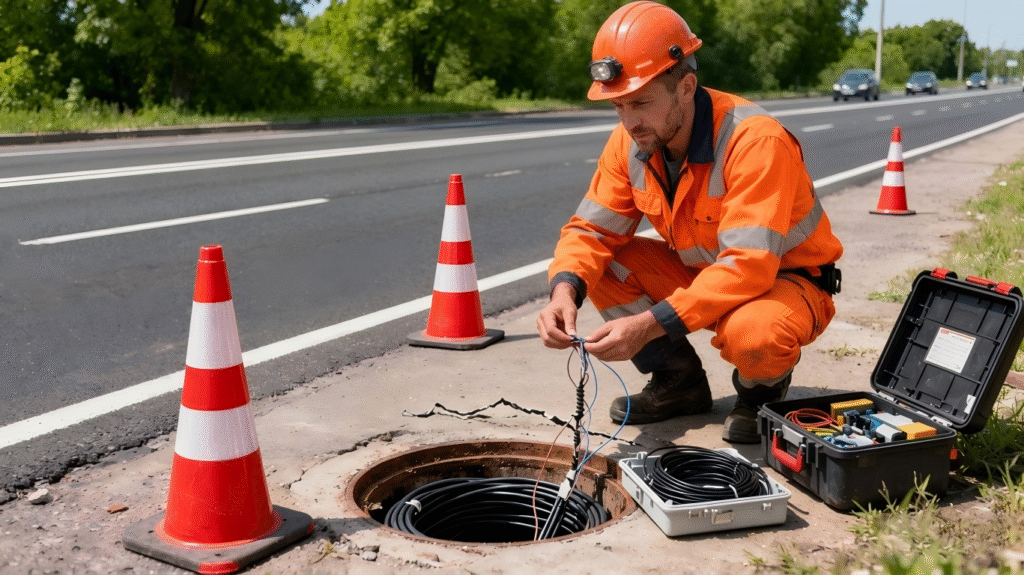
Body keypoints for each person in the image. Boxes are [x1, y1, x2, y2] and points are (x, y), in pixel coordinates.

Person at [536, 0, 843, 444]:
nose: (628, 121)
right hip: (705, 275)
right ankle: (678, 382)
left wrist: (647, 325)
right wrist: (563, 292)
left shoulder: (754, 140)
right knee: (602, 265)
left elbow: (747, 267)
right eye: (618, 106)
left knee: (753, 335)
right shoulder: (631, 141)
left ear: (686, 86)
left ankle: (761, 392)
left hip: (784, 282)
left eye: (640, 102)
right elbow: (590, 232)